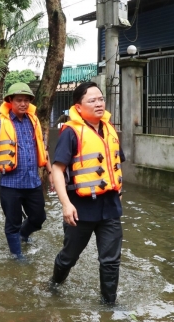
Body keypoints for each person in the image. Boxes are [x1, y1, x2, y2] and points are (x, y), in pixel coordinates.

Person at [48, 82, 125, 305]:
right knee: (69, 256)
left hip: (109, 206)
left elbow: (118, 163)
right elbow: (57, 169)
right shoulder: (71, 133)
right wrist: (65, 204)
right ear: (79, 107)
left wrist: (120, 190)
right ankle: (54, 284)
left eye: (100, 99)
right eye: (92, 100)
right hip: (80, 208)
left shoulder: (110, 130)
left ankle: (109, 304)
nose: (99, 103)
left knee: (110, 261)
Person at [0, 82, 54, 259]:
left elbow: (43, 149)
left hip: (33, 182)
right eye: (19, 100)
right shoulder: (1, 123)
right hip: (10, 184)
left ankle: (23, 234)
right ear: (10, 101)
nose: (23, 104)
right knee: (12, 222)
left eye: (26, 100)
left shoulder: (34, 122)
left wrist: (50, 174)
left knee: (39, 218)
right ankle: (17, 255)